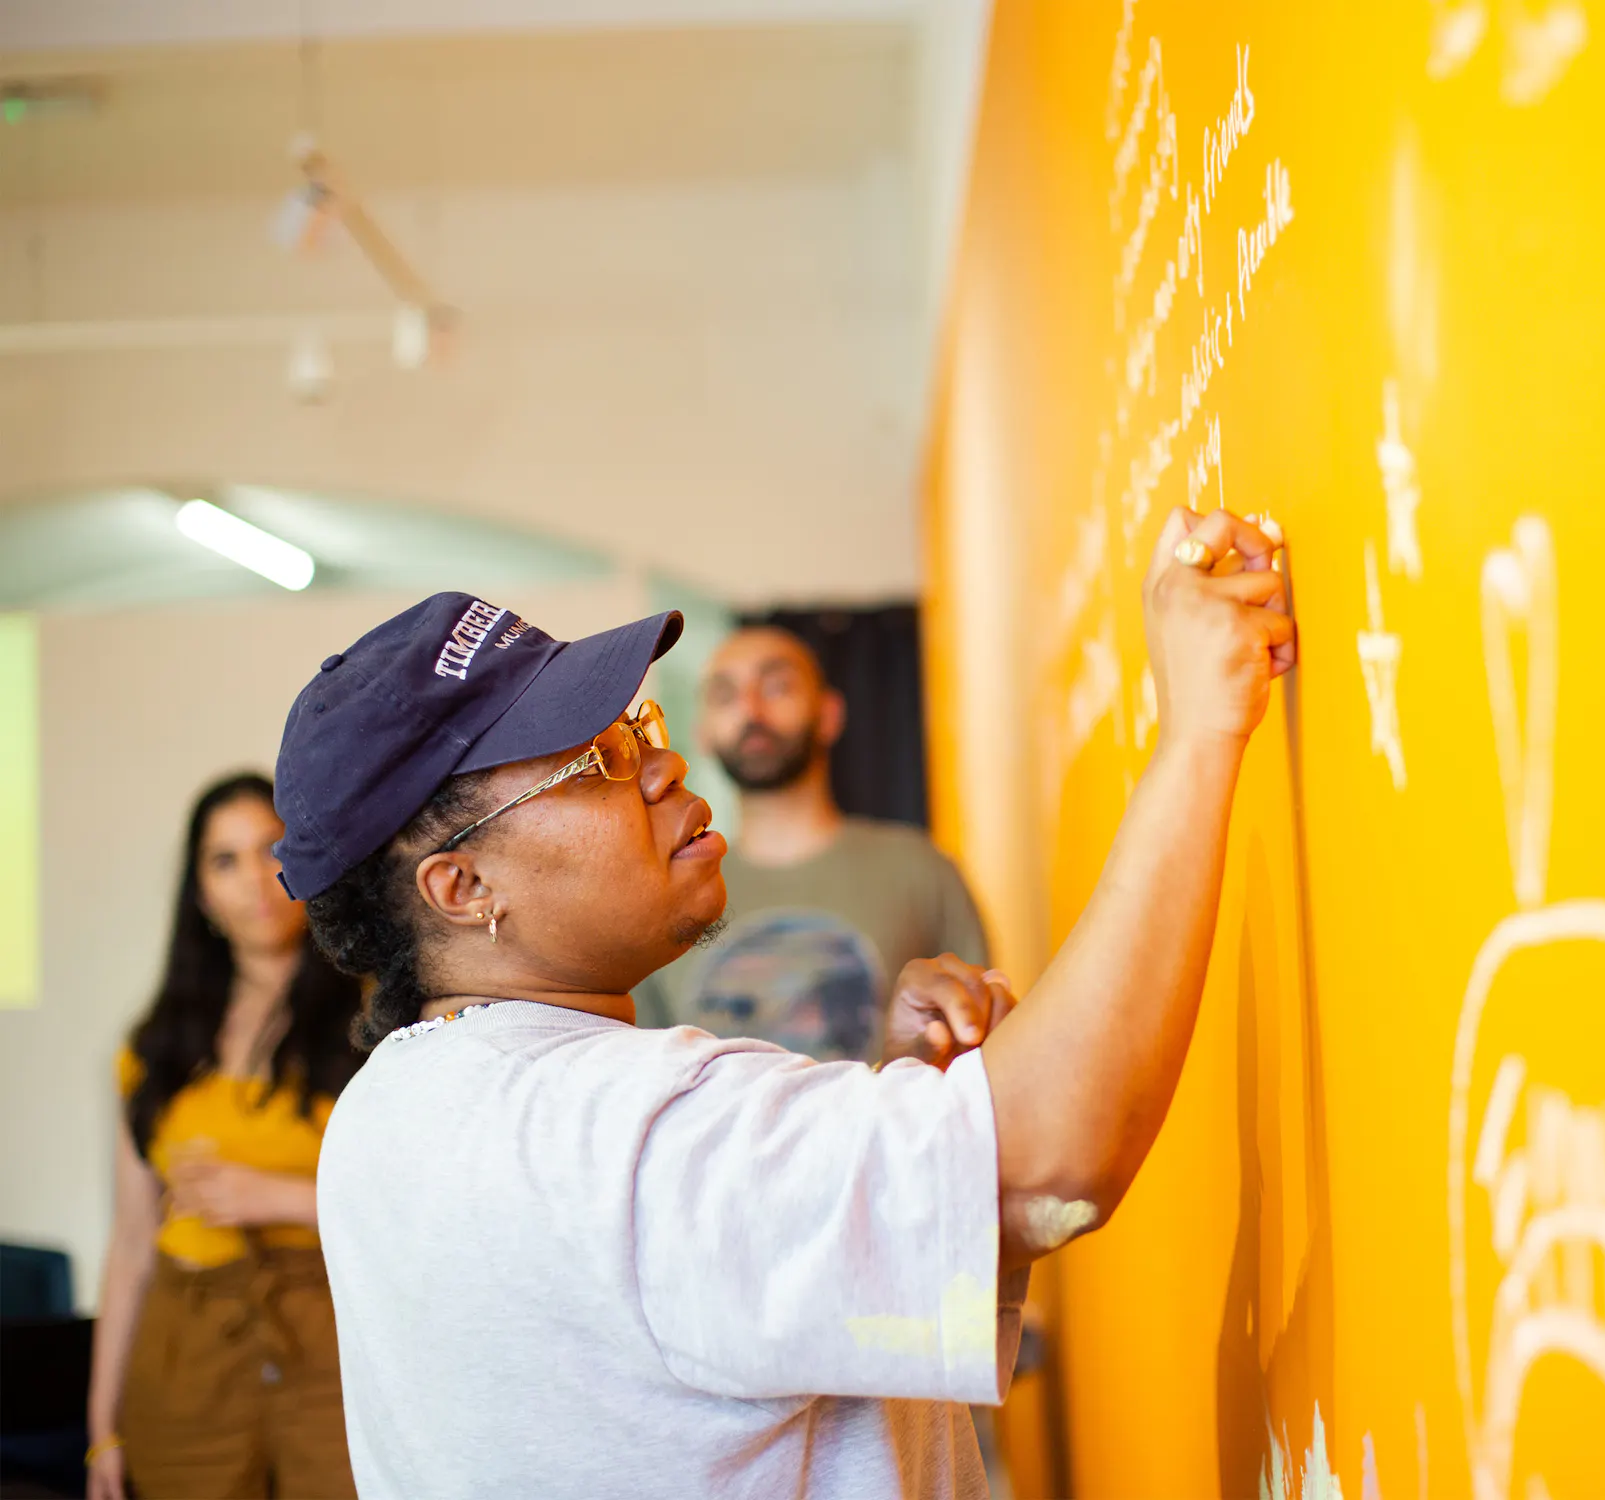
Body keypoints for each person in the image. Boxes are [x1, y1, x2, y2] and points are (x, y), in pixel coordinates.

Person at [279, 507, 1292, 1498]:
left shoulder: (388, 1111)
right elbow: (1049, 1162)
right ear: (461, 888)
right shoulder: (618, 1132)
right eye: (599, 762)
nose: (664, 764)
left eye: (637, 727)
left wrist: (906, 1108)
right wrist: (1201, 727)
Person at [85, 773, 365, 1500]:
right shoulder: (156, 1050)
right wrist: (99, 1428)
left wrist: (278, 1196)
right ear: (200, 896)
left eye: (270, 848)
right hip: (186, 1354)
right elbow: (130, 1245)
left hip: (332, 1347)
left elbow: (425, 1212)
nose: (254, 879)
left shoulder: (379, 1025)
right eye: (223, 861)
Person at [635, 618, 988, 1060]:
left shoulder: (921, 870)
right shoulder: (661, 892)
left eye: (777, 686)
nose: (751, 709)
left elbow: (983, 1054)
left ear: (829, 714)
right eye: (725, 695)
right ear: (702, 732)